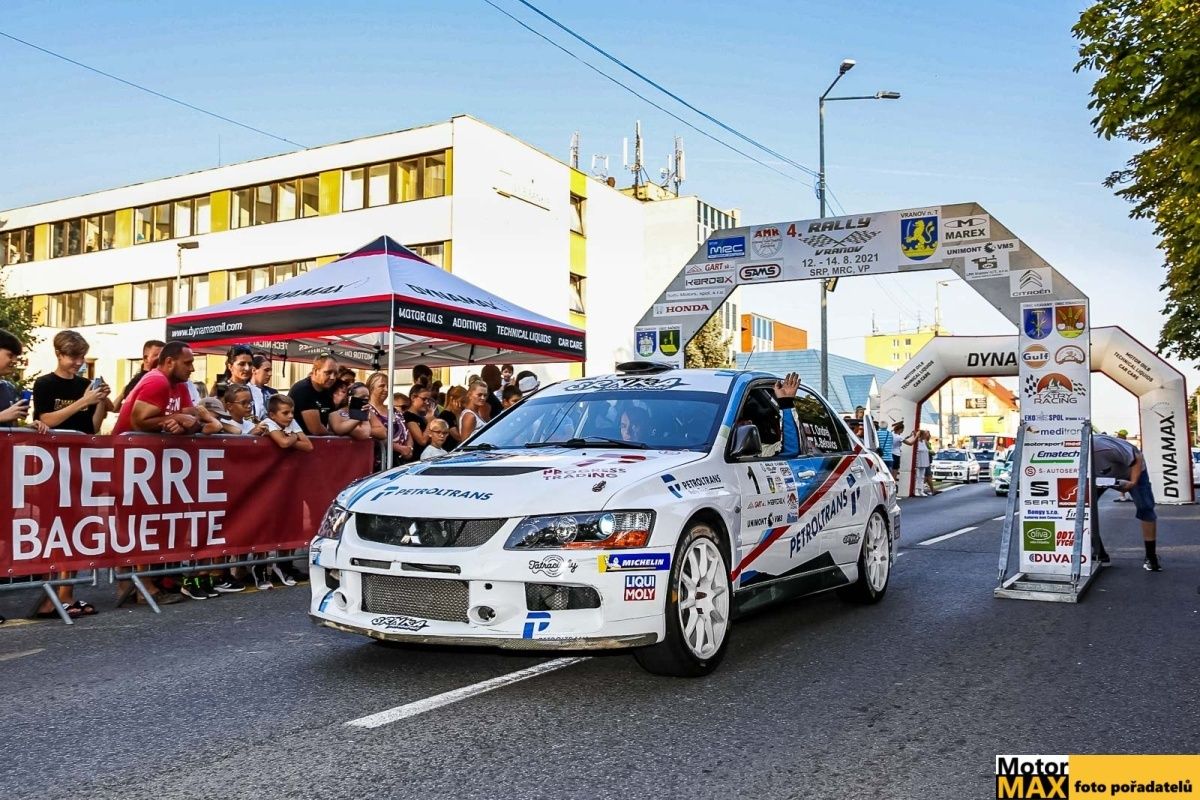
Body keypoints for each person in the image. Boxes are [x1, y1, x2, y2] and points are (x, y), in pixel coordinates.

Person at [113, 341, 222, 435]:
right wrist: (177, 418)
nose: (192, 369)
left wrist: (182, 428)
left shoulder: (181, 384)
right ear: (169, 362)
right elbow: (138, 423)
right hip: (125, 449)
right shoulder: (157, 381)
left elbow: (190, 420)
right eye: (187, 363)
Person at [1092, 433, 1160, 571]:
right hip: (1099, 476)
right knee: (1084, 511)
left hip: (1130, 472)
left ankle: (1151, 556)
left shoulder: (1103, 447)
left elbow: (1137, 457)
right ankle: (1100, 554)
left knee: (1145, 508)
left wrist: (1133, 482)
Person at [33, 330, 111, 434]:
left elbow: (93, 428)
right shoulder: (44, 383)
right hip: (53, 443)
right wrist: (84, 401)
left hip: (82, 443)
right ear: (58, 354)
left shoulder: (86, 384)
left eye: (82, 357)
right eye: (73, 357)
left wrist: (101, 399)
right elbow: (46, 420)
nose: (79, 362)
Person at [0, 329, 47, 433]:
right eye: (10, 355)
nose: (15, 361)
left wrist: (27, 429)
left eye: (16, 357)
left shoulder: (9, 388)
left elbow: (11, 430)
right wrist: (2, 416)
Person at [366, 372, 412, 466]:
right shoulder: (366, 410)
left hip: (400, 461)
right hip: (380, 461)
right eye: (381, 386)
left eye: (388, 386)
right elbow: (373, 435)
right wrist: (399, 448)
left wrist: (410, 448)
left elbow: (407, 431)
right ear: (371, 388)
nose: (386, 389)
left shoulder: (394, 411)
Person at [289, 355, 338, 436]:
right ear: (315, 371)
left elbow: (334, 421)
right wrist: (336, 436)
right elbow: (316, 430)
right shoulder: (303, 390)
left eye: (335, 374)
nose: (332, 377)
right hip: (299, 441)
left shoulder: (327, 391)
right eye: (328, 373)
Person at [114, 339, 164, 411]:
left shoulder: (162, 377)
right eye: (156, 355)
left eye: (163, 355)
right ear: (146, 358)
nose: (161, 359)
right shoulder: (141, 380)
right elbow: (120, 408)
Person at [404, 383, 437, 460]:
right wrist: (430, 420)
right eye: (424, 399)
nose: (427, 402)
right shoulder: (408, 416)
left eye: (428, 400)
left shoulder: (422, 417)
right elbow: (422, 441)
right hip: (416, 459)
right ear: (413, 397)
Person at [903, 428, 935, 496]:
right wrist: (915, 435)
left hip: (924, 461)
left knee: (922, 476)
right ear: (921, 435)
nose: (926, 436)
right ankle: (916, 490)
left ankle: (921, 490)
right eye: (924, 435)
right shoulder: (917, 441)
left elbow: (929, 449)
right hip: (919, 461)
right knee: (917, 476)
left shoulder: (925, 442)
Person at [248, 354, 277, 421]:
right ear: (254, 370)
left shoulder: (273, 392)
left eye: (271, 370)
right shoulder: (244, 391)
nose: (270, 374)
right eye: (266, 370)